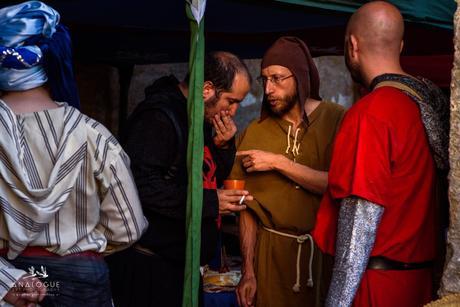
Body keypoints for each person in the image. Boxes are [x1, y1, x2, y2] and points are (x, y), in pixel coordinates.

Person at [0, 1, 148, 307]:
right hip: (82, 281)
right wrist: (79, 248)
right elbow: (129, 227)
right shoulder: (92, 134)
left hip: (10, 284)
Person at [312, 2, 450, 306]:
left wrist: (337, 303)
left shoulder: (371, 112)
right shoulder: (426, 104)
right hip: (421, 285)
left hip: (376, 288)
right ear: (400, 45)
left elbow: (359, 221)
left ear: (352, 46)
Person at [107, 51, 253, 307]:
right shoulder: (159, 117)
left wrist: (223, 146)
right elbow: (143, 186)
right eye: (231, 100)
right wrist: (210, 202)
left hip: (179, 267)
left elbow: (207, 175)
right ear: (207, 89)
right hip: (151, 271)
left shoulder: (198, 117)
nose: (233, 110)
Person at [230, 36, 345, 307]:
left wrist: (278, 162)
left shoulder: (338, 121)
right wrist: (249, 271)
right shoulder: (255, 132)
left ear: (301, 77)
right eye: (265, 80)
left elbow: (339, 186)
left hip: (322, 258)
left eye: (278, 78)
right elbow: (246, 207)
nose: (268, 89)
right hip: (269, 260)